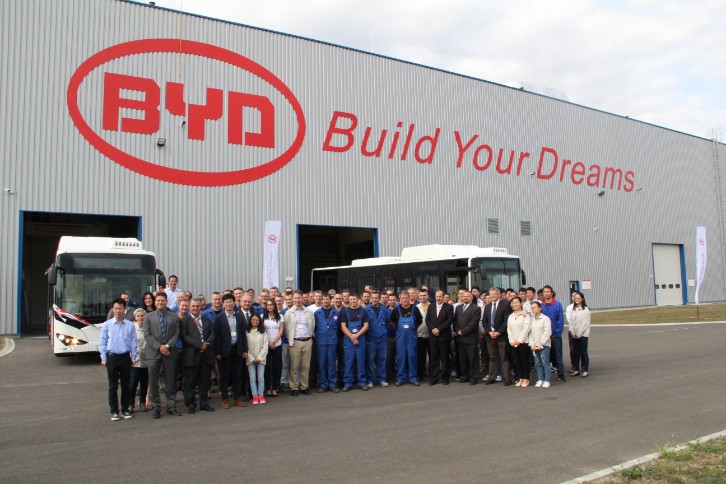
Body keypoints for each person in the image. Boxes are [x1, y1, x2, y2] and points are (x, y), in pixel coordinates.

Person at [143, 292, 180, 419]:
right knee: (153, 382)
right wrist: (160, 347)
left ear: (166, 302)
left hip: (169, 352)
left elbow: (176, 334)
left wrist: (167, 346)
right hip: (154, 353)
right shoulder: (148, 316)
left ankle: (171, 406)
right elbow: (147, 335)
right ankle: (156, 407)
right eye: (158, 300)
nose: (160, 302)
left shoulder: (173, 316)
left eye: (162, 300)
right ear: (155, 302)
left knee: (170, 381)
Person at [100, 298, 138, 421]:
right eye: (116, 308)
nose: (118, 311)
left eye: (120, 308)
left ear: (124, 309)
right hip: (112, 358)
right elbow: (103, 342)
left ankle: (125, 409)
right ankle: (114, 411)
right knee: (113, 386)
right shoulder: (107, 325)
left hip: (126, 358)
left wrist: (133, 357)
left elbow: (133, 342)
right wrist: (103, 357)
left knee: (126, 386)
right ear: (113, 309)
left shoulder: (130, 325)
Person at [180, 297, 216, 413]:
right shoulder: (184, 321)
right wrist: (200, 345)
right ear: (189, 307)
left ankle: (204, 404)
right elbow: (185, 336)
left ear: (201, 307)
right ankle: (191, 404)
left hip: (206, 356)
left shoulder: (206, 320)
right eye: (193, 306)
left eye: (197, 306)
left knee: (204, 382)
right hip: (191, 356)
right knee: (190, 383)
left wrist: (206, 344)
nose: (195, 308)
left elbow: (212, 334)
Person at [214, 293, 249, 409]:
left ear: (234, 303)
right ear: (223, 304)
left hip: (237, 349)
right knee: (224, 375)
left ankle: (237, 398)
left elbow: (243, 334)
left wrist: (245, 349)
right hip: (224, 351)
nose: (228, 304)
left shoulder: (239, 317)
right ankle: (225, 399)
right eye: (226, 302)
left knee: (237, 375)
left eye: (230, 302)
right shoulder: (219, 318)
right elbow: (216, 336)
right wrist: (217, 352)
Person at [283, 290, 315, 396]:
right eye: (295, 298)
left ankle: (304, 386)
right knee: (294, 366)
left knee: (306, 366)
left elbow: (312, 325)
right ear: (293, 299)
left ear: (302, 299)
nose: (297, 300)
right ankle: (294, 387)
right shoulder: (288, 313)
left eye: (299, 298)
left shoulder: (309, 312)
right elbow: (286, 328)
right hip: (295, 342)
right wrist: (291, 339)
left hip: (307, 341)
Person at [483, 287, 514, 386]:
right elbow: (484, 322)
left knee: (504, 357)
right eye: (491, 294)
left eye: (494, 294)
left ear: (499, 295)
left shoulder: (505, 305)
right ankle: (492, 377)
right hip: (490, 336)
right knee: (492, 357)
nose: (492, 296)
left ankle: (507, 378)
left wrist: (499, 332)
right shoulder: (487, 306)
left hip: (501, 336)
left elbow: (506, 320)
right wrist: (489, 332)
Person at [390, 291, 421, 386]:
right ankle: (401, 378)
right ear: (400, 299)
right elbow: (391, 321)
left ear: (409, 298)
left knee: (412, 357)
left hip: (412, 338)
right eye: (402, 298)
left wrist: (414, 327)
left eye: (406, 298)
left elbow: (419, 321)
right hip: (401, 339)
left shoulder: (415, 309)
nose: (404, 300)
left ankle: (413, 378)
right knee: (401, 357)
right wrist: (397, 329)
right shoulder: (396, 310)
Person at [340, 293, 370, 391]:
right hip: (349, 340)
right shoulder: (345, 312)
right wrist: (351, 336)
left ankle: (362, 382)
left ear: (358, 300)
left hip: (360, 339)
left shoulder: (363, 311)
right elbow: (343, 326)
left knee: (361, 361)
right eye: (351, 299)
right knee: (348, 361)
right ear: (349, 300)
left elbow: (366, 325)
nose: (352, 301)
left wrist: (357, 335)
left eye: (354, 299)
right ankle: (347, 383)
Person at [426, 290, 454, 385]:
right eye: (437, 296)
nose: (438, 298)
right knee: (433, 358)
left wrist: (439, 329)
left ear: (443, 297)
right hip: (433, 336)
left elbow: (449, 320)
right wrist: (433, 329)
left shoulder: (449, 307)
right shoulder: (431, 306)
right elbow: (427, 320)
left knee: (444, 358)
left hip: (444, 336)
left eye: (440, 296)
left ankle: (445, 378)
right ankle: (434, 378)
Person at [453, 290, 481, 385]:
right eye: (463, 296)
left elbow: (473, 323)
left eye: (467, 296)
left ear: (471, 298)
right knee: (462, 358)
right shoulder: (458, 308)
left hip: (470, 338)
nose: (465, 298)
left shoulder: (476, 308)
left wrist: (463, 331)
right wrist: (457, 330)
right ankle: (465, 376)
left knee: (472, 358)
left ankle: (473, 377)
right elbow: (455, 321)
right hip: (460, 338)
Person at [314, 294, 340, 393]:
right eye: (324, 299)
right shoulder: (317, 313)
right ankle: (323, 384)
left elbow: (339, 328)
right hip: (321, 342)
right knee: (322, 363)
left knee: (332, 363)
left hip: (332, 341)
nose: (325, 301)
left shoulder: (336, 313)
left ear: (330, 300)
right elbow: (314, 327)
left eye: (327, 299)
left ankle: (332, 384)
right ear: (321, 300)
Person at [363, 290, 390, 388]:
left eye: (376, 298)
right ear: (371, 299)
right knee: (370, 360)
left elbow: (387, 322)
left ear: (379, 299)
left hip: (382, 339)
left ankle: (381, 379)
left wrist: (383, 332)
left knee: (382, 360)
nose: (374, 299)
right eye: (373, 298)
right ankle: (370, 380)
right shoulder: (365, 310)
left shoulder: (384, 310)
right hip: (371, 339)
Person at [541, 285, 566, 382]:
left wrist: (557, 333)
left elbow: (560, 320)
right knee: (545, 357)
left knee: (558, 356)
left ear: (551, 293)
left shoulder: (557, 304)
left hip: (554, 335)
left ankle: (561, 374)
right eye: (544, 292)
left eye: (548, 291)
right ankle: (545, 376)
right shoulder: (541, 305)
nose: (546, 293)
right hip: (544, 335)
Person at [507, 297, 532, 388]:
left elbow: (526, 329)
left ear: (521, 303)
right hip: (513, 343)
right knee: (516, 361)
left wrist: (519, 340)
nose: (515, 304)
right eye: (513, 303)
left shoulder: (525, 315)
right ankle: (520, 378)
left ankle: (526, 378)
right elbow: (509, 329)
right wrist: (511, 340)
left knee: (524, 361)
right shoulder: (510, 316)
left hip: (524, 342)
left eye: (516, 302)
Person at [129, 308, 149, 413]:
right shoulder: (132, 327)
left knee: (144, 383)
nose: (140, 318)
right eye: (138, 316)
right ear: (135, 317)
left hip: (146, 359)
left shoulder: (148, 327)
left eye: (142, 316)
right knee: (133, 383)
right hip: (135, 360)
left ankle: (142, 402)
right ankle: (130, 403)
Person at [263, 300, 285, 397]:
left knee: (277, 366)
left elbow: (281, 330)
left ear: (274, 306)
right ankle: (268, 388)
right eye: (268, 305)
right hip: (266, 344)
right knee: (267, 367)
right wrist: (268, 342)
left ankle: (275, 387)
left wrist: (274, 342)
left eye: (271, 305)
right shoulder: (263, 317)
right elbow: (262, 331)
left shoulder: (280, 316)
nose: (269, 306)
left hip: (277, 344)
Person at [246, 313, 269, 404]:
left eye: (257, 320)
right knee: (252, 378)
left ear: (259, 321)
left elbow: (265, 345)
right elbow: (245, 347)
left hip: (261, 358)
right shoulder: (247, 331)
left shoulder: (263, 332)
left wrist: (260, 357)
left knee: (260, 378)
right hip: (250, 358)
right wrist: (251, 358)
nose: (255, 321)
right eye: (253, 319)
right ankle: (255, 396)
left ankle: (261, 395)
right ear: (250, 320)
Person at [529, 301, 552, 388]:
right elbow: (530, 333)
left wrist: (540, 343)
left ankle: (547, 380)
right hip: (535, 346)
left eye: (535, 307)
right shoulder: (531, 319)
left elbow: (547, 332)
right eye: (532, 308)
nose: (533, 309)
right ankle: (540, 379)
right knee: (538, 363)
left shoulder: (545, 319)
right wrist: (532, 344)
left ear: (540, 308)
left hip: (544, 345)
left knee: (545, 362)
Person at [569, 291, 591, 377]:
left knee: (583, 352)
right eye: (575, 298)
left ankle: (585, 370)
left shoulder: (586, 310)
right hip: (574, 334)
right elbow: (571, 321)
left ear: (582, 299)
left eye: (578, 298)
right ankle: (576, 369)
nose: (576, 299)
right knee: (575, 352)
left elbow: (585, 323)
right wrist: (572, 332)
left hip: (583, 334)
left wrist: (578, 334)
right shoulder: (573, 309)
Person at [415, 288, 431, 381]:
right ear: (418, 297)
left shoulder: (432, 306)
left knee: (432, 356)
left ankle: (432, 374)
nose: (423, 297)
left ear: (428, 296)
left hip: (431, 335)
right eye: (421, 295)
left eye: (424, 295)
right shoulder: (416, 307)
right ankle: (420, 375)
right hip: (419, 335)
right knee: (420, 357)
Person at [385, 293, 398, 382]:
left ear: (396, 300)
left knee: (399, 356)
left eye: (394, 300)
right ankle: (389, 374)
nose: (392, 301)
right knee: (389, 357)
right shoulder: (385, 311)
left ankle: (398, 373)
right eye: (390, 300)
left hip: (399, 336)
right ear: (388, 301)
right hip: (389, 337)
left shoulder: (399, 309)